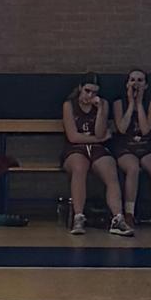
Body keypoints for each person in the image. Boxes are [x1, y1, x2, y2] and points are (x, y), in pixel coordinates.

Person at [63, 74, 133, 237]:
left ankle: (118, 218)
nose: (90, 95)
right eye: (87, 91)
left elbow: (100, 132)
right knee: (79, 167)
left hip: (97, 149)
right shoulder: (69, 105)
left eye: (94, 92)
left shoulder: (103, 104)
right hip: (76, 148)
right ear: (80, 88)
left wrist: (101, 110)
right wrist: (98, 139)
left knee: (110, 169)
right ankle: (78, 217)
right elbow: (73, 136)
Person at [112, 68, 151, 233]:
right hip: (126, 146)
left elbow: (145, 130)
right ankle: (129, 213)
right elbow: (122, 128)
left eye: (140, 80)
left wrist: (139, 104)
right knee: (133, 168)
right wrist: (131, 104)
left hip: (145, 145)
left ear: (146, 85)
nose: (135, 84)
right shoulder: (119, 103)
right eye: (132, 80)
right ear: (127, 84)